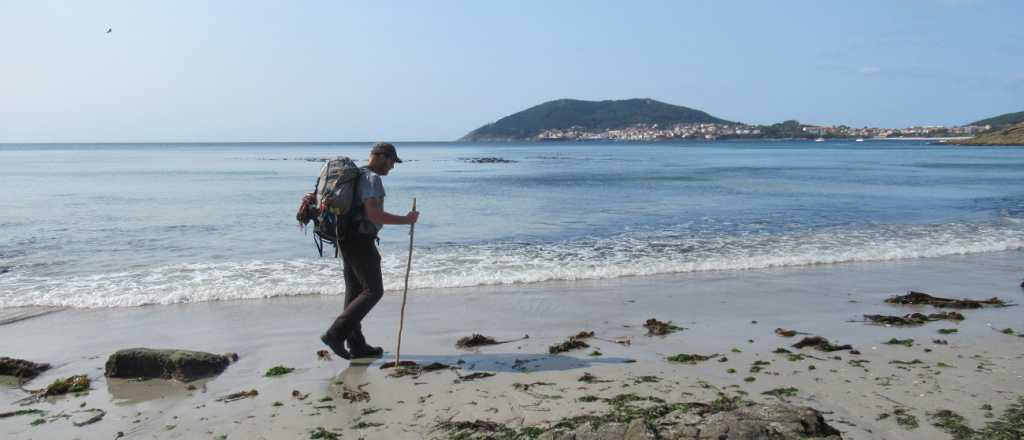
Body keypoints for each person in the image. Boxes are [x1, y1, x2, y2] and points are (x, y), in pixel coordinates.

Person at [321, 142, 419, 359]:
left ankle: (357, 345)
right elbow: (373, 215)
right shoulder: (371, 179)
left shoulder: (358, 176)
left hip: (345, 238)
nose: (392, 167)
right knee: (374, 291)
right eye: (393, 161)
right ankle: (335, 334)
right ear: (382, 157)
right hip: (360, 240)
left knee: (355, 292)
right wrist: (407, 220)